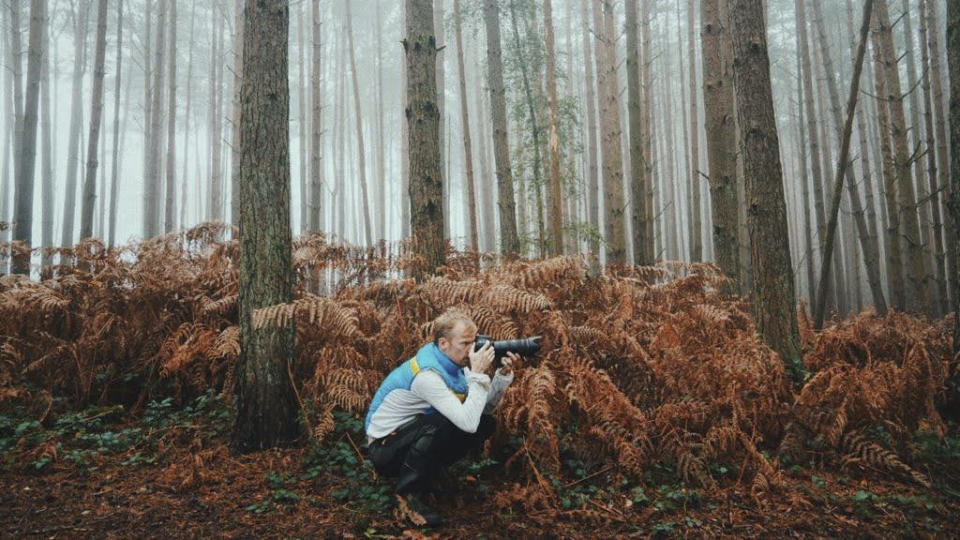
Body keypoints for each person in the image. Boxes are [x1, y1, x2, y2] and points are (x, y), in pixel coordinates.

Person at [364, 309, 517, 526]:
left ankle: (429, 476)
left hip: (405, 438)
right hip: (383, 449)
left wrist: (501, 376)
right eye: (464, 343)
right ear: (443, 343)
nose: (471, 350)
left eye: (473, 342)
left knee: (486, 424)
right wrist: (478, 373)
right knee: (442, 423)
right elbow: (467, 423)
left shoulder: (453, 367)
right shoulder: (427, 376)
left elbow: (481, 412)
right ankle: (408, 500)